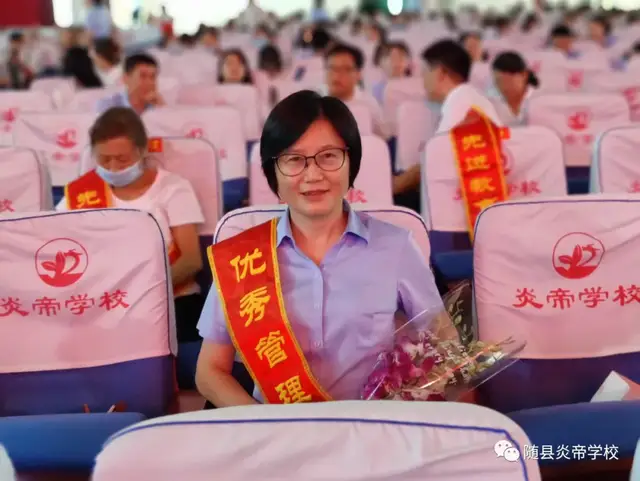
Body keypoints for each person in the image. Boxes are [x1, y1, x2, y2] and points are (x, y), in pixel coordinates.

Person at [195, 90, 445, 407]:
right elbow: (209, 371)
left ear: (350, 161)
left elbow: (444, 344)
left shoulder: (395, 247)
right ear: (273, 172)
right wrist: (264, 426)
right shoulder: (244, 258)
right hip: (278, 437)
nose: (313, 175)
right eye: (294, 160)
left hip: (370, 435)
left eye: (328, 156)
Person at [56, 108, 205, 342]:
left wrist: (138, 293)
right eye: (105, 160)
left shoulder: (173, 189)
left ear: (143, 150)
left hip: (170, 300)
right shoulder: (81, 195)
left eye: (123, 159)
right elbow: (55, 244)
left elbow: (191, 260)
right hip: (101, 305)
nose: (114, 168)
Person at [392, 39, 502, 198]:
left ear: (440, 73)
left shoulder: (461, 102)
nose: (423, 81)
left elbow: (436, 161)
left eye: (425, 73)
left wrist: (397, 184)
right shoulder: (469, 97)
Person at [325, 44, 389, 139]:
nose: (336, 75)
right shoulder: (314, 102)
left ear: (359, 74)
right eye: (332, 68)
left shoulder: (369, 104)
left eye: (345, 69)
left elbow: (382, 140)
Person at [96, 53, 164, 115]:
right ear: (125, 79)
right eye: (143, 76)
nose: (150, 82)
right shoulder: (108, 106)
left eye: (153, 77)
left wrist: (162, 108)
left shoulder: (156, 105)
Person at [489, 51, 539, 125]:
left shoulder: (538, 100)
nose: (503, 87)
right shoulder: (493, 105)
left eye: (507, 81)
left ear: (524, 75)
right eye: (498, 81)